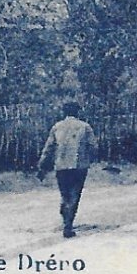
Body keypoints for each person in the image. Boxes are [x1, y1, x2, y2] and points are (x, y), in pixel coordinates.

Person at [37, 100, 97, 238]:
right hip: (79, 166)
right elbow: (93, 146)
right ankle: (68, 225)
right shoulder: (85, 127)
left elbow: (48, 148)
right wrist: (91, 159)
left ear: (64, 112)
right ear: (77, 112)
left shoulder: (57, 127)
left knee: (65, 195)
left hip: (61, 166)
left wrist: (42, 165)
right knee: (75, 194)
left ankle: (65, 217)